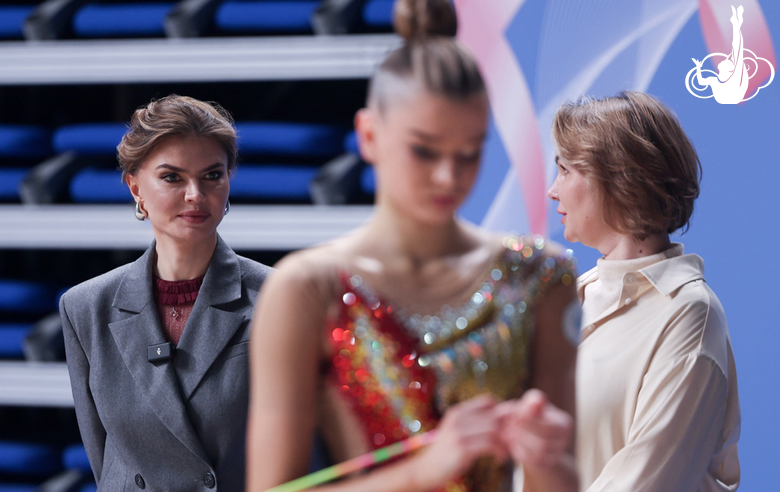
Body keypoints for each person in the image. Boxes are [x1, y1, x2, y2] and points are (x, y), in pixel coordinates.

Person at [246, 1, 579, 491]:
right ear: (368, 135)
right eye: (424, 150)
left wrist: (543, 455)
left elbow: (567, 479)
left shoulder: (539, 274)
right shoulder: (306, 288)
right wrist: (426, 468)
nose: (449, 175)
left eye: (470, 152)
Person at [60, 95, 271, 491]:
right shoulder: (85, 306)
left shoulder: (279, 297)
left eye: (212, 176)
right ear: (135, 187)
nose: (195, 194)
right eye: (173, 177)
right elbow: (107, 460)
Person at [547, 91, 740, 491]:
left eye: (565, 171)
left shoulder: (690, 314)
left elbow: (645, 483)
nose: (553, 190)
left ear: (618, 179)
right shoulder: (569, 300)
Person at [692, 5, 749, 104]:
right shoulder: (715, 81)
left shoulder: (736, 76)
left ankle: (736, 23)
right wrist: (698, 67)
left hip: (733, 95)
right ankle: (736, 23)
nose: (719, 71)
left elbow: (737, 47)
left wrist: (736, 25)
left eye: (723, 65)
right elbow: (701, 82)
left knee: (737, 49)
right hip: (727, 96)